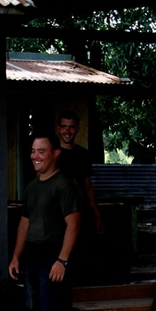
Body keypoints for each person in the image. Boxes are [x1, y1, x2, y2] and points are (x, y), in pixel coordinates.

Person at [9, 130, 83, 311]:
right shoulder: (32, 186)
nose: (35, 156)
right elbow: (25, 223)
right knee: (34, 310)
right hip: (33, 255)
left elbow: (73, 225)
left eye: (41, 151)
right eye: (33, 151)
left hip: (54, 255)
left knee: (54, 310)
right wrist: (17, 255)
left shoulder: (65, 184)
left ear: (55, 154)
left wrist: (62, 260)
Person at [56, 111, 104, 285]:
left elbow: (88, 185)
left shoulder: (83, 154)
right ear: (58, 129)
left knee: (82, 253)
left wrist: (96, 213)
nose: (67, 131)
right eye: (64, 127)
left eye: (71, 127)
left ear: (76, 129)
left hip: (80, 211)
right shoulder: (52, 154)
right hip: (58, 213)